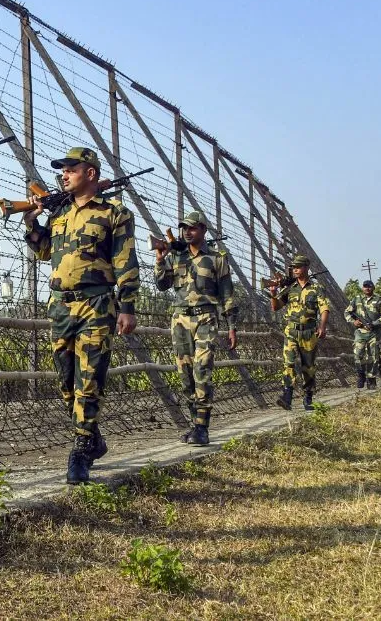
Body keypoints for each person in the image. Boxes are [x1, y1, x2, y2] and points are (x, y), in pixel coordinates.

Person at [23, 146, 139, 483]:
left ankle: (81, 447)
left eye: (70, 169)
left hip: (97, 305)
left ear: (90, 173)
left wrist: (127, 306)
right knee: (66, 380)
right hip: (60, 306)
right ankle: (94, 437)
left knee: (89, 379)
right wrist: (32, 224)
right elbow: (44, 251)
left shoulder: (114, 213)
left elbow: (125, 261)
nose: (63, 174)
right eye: (62, 170)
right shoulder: (59, 214)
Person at [153, 211, 238, 445]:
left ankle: (202, 427)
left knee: (202, 370)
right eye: (184, 228)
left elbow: (227, 294)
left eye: (192, 228)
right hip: (179, 320)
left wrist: (231, 326)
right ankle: (194, 424)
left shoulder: (217, 259)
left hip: (206, 318)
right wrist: (160, 259)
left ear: (203, 230)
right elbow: (161, 285)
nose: (187, 232)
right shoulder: (175, 257)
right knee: (185, 375)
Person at [269, 255, 329, 410]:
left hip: (309, 333)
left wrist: (322, 326)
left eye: (298, 266)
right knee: (288, 363)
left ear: (306, 268)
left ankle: (308, 397)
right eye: (293, 267)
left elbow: (324, 308)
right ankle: (287, 396)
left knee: (308, 367)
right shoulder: (289, 289)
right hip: (291, 331)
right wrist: (273, 293)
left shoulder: (316, 289)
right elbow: (276, 307)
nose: (295, 270)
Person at [344, 280, 381, 390]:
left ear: (373, 287)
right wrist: (353, 321)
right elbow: (347, 312)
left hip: (374, 332)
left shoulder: (380, 300)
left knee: (373, 357)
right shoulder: (357, 299)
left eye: (369, 286)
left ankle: (371, 380)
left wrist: (374, 324)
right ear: (362, 288)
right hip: (360, 332)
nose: (367, 288)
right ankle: (361, 375)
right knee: (357, 355)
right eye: (365, 286)